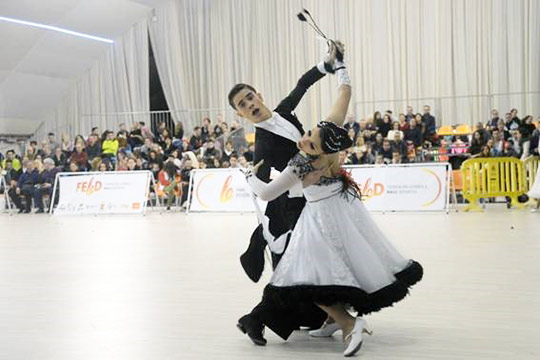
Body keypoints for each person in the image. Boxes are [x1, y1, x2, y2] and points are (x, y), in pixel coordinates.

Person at [243, 87, 422, 357]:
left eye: (310, 142)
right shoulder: (330, 141)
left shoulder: (301, 163)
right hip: (344, 214)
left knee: (307, 278)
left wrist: (250, 177)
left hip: (318, 223)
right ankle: (330, 321)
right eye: (307, 135)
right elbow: (340, 107)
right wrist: (343, 78)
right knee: (340, 267)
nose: (304, 141)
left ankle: (350, 323)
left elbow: (267, 193)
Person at [228, 43, 343, 345]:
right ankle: (256, 319)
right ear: (241, 114)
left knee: (304, 268)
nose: (249, 104)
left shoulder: (283, 112)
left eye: (250, 97)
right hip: (291, 210)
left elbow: (302, 85)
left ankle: (316, 316)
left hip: (310, 200)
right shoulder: (262, 144)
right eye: (242, 104)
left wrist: (327, 63)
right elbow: (263, 186)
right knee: (296, 269)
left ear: (259, 96)